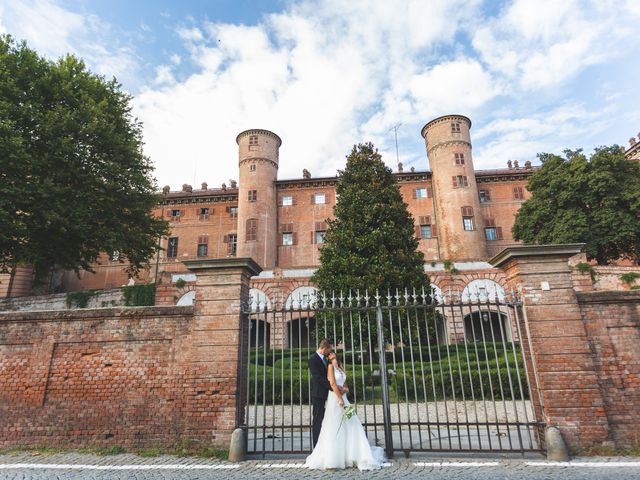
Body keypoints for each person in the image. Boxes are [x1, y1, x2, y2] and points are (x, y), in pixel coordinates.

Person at [305, 351, 385, 470]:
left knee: (353, 422)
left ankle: (353, 454)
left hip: (345, 400)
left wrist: (345, 390)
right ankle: (334, 458)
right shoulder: (330, 367)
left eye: (333, 354)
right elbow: (332, 383)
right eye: (330, 354)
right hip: (335, 400)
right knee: (335, 425)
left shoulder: (340, 367)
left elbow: (345, 384)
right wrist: (339, 398)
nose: (331, 355)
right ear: (329, 358)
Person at [308, 338, 333, 446]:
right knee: (318, 420)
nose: (330, 352)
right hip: (318, 394)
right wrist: (332, 386)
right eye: (329, 350)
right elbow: (318, 377)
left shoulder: (328, 359)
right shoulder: (313, 359)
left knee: (330, 419)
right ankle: (317, 445)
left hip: (331, 394)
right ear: (324, 348)